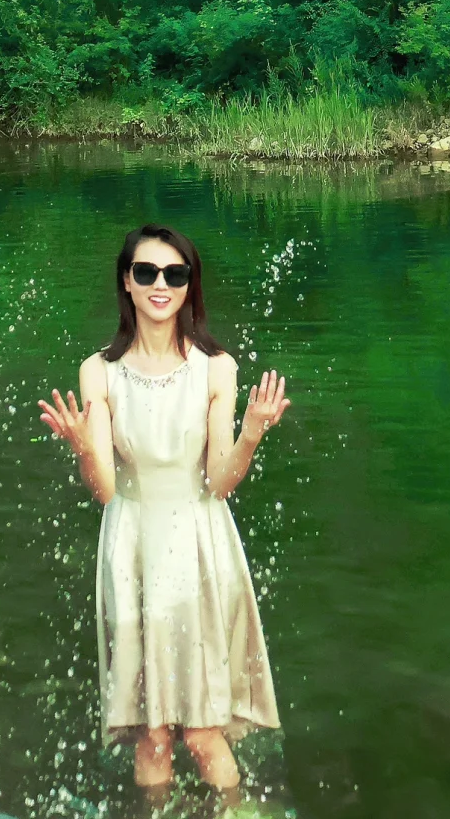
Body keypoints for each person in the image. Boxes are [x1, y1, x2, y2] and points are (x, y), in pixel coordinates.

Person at [38, 224, 289, 801]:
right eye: (146, 272)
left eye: (175, 274)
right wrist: (82, 448)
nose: (160, 284)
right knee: (151, 735)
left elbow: (219, 483)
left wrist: (251, 433)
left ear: (188, 285)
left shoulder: (216, 367)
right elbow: (106, 490)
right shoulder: (98, 371)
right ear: (126, 282)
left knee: (201, 731)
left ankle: (234, 811)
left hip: (200, 547)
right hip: (132, 548)